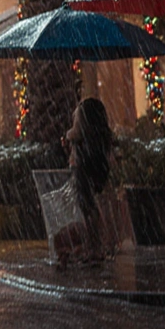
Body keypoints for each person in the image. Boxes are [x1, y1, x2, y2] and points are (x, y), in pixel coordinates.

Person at [64, 97, 114, 264]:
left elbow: (72, 133)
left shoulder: (82, 142)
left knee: (88, 209)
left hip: (84, 170)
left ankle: (93, 248)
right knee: (92, 208)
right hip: (94, 170)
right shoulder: (99, 141)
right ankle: (96, 247)